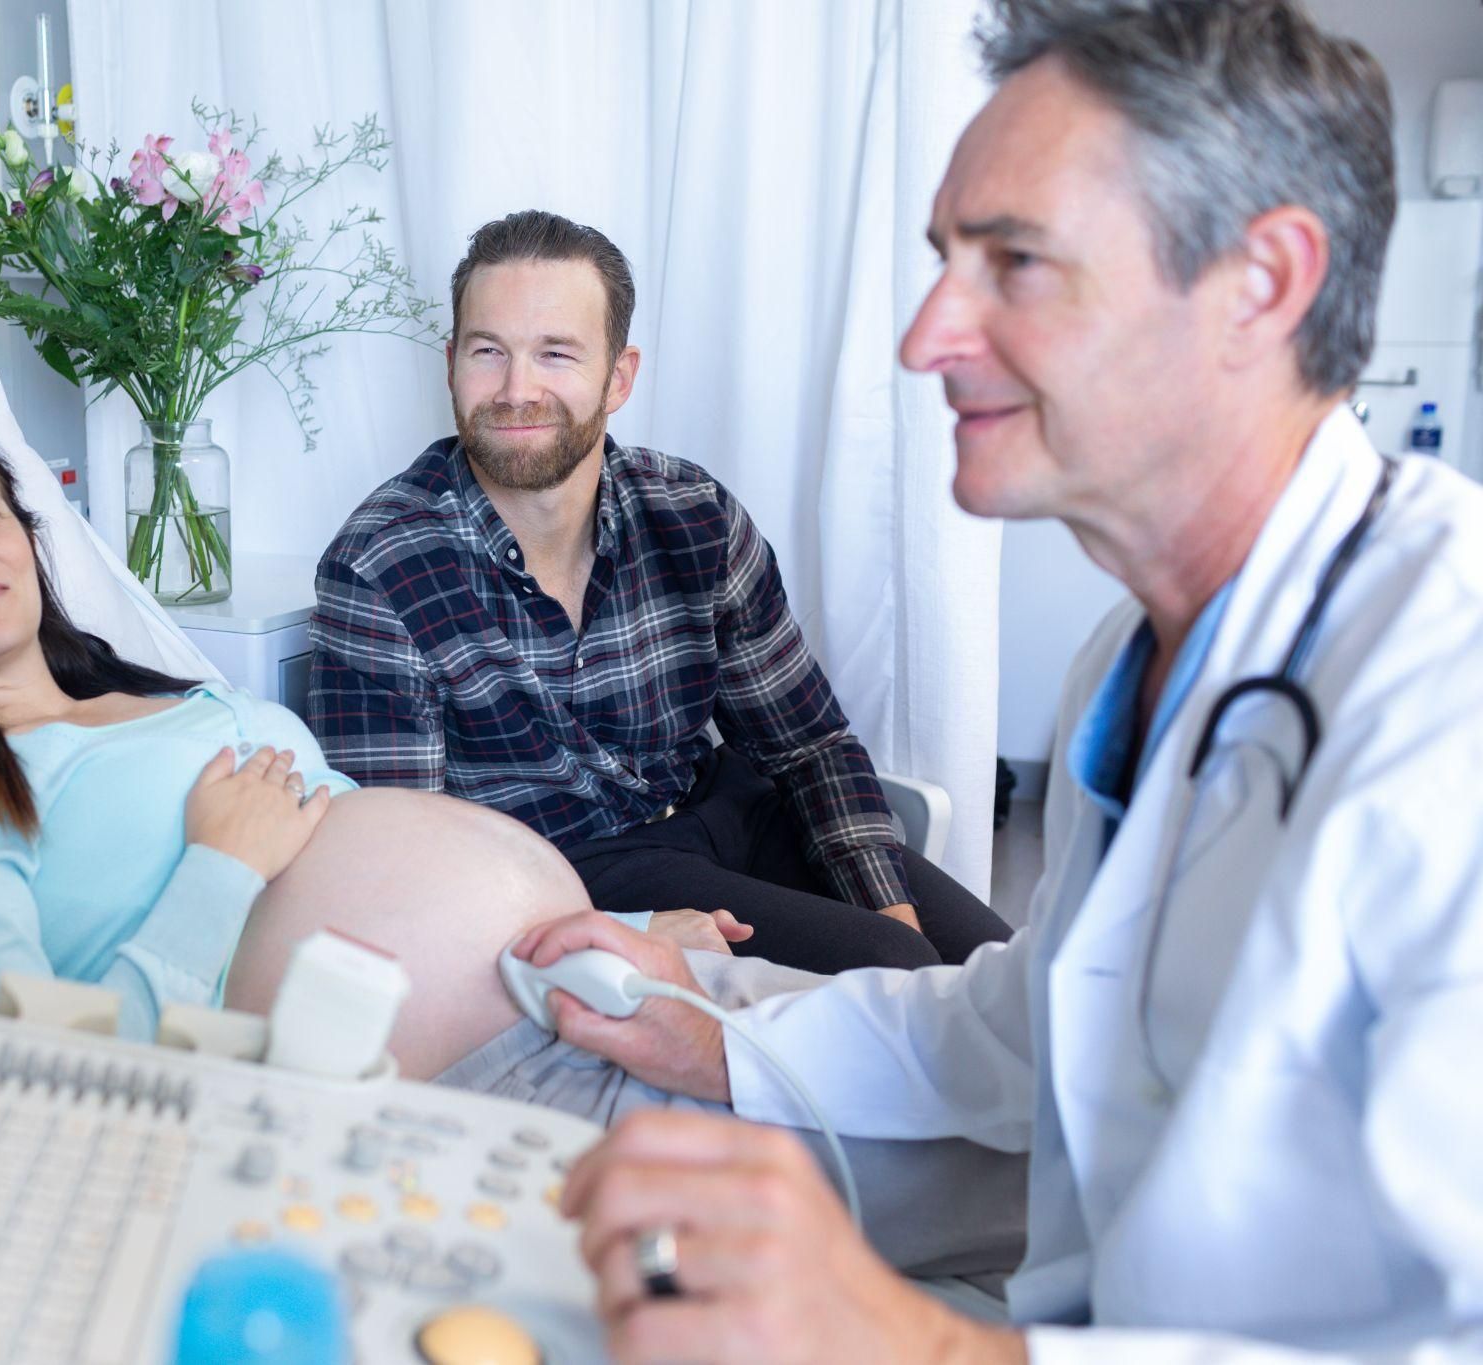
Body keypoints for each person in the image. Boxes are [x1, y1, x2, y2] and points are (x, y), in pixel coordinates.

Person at [514, 1, 1483, 1360]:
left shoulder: (1448, 697)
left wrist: (930, 1347)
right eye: (941, 262)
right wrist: (704, 1025)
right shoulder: (1142, 655)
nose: (926, 338)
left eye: (1014, 262)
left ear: (1261, 283)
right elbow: (1036, 1019)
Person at [0, 400, 748, 1065]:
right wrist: (220, 868)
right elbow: (12, 1065)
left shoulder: (162, 696)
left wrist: (626, 932)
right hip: (463, 1079)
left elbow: (376, 859)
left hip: (585, 988)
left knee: (888, 1065)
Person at [308, 209, 1013, 974]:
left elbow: (809, 746)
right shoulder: (381, 565)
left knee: (1005, 974)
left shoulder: (692, 511)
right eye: (488, 351)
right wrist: (628, 924)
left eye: (555, 353)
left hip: (731, 811)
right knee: (896, 974)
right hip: (573, 870)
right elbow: (402, 866)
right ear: (450, 363)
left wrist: (892, 906)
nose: (517, 389)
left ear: (619, 377)